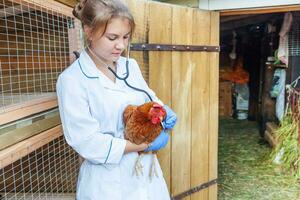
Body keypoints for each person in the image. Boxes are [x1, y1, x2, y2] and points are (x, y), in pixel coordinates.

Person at [56, 0, 177, 199]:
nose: (120, 45)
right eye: (112, 37)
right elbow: (86, 141)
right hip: (108, 183)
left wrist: (162, 110)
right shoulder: (72, 80)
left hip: (147, 176)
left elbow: (149, 99)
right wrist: (144, 145)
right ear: (89, 31)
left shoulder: (131, 67)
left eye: (125, 37)